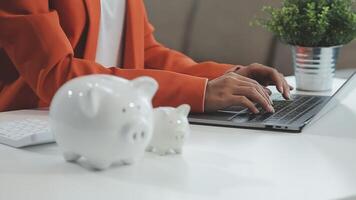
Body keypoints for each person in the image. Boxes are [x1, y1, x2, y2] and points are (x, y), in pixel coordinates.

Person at [0, 0, 292, 113]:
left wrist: (223, 76)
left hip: (112, 121)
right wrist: (200, 92)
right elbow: (57, 75)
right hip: (36, 131)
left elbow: (146, 52)